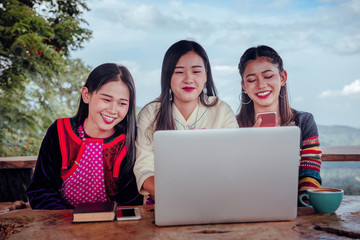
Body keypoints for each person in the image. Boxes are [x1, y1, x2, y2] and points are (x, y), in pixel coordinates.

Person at [27, 63, 143, 209]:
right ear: (86, 95)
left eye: (122, 103)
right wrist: (70, 221)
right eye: (106, 99)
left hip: (113, 228)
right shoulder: (60, 131)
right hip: (61, 225)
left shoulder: (129, 142)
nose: (113, 110)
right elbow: (40, 190)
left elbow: (130, 202)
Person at [134, 40, 238, 200]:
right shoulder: (151, 113)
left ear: (206, 75)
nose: (188, 79)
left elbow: (233, 163)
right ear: (167, 75)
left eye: (196, 71)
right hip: (163, 200)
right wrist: (177, 196)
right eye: (179, 72)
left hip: (216, 199)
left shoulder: (221, 110)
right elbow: (144, 168)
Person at [236, 45, 322, 204]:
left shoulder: (304, 122)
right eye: (251, 79)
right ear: (244, 86)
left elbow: (309, 176)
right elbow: (229, 179)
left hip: (293, 209)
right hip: (245, 205)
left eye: (268, 76)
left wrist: (303, 205)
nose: (261, 85)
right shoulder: (232, 125)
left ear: (282, 77)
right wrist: (249, 143)